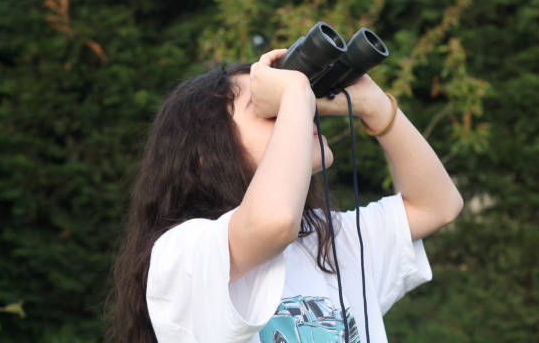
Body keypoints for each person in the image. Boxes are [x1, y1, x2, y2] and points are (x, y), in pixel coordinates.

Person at [105, 49, 464, 343]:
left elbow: (437, 205)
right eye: (267, 110)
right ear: (208, 153)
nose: (297, 114)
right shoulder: (182, 253)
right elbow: (272, 222)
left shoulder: (325, 239)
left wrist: (376, 107)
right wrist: (295, 93)